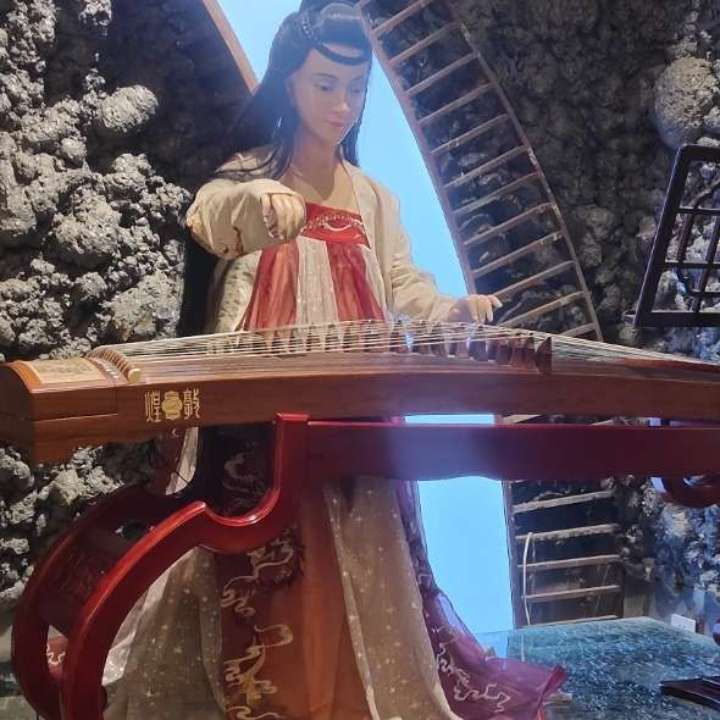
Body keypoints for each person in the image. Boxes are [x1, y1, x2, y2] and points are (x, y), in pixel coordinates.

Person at [103, 2, 565, 719]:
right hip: (265, 399)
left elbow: (402, 285)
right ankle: (269, 688)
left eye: (354, 88)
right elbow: (212, 217)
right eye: (325, 85)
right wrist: (255, 202)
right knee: (268, 526)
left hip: (356, 395)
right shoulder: (245, 178)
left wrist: (449, 308)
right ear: (288, 82)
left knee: (358, 523)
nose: (342, 104)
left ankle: (353, 686)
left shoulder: (373, 196)